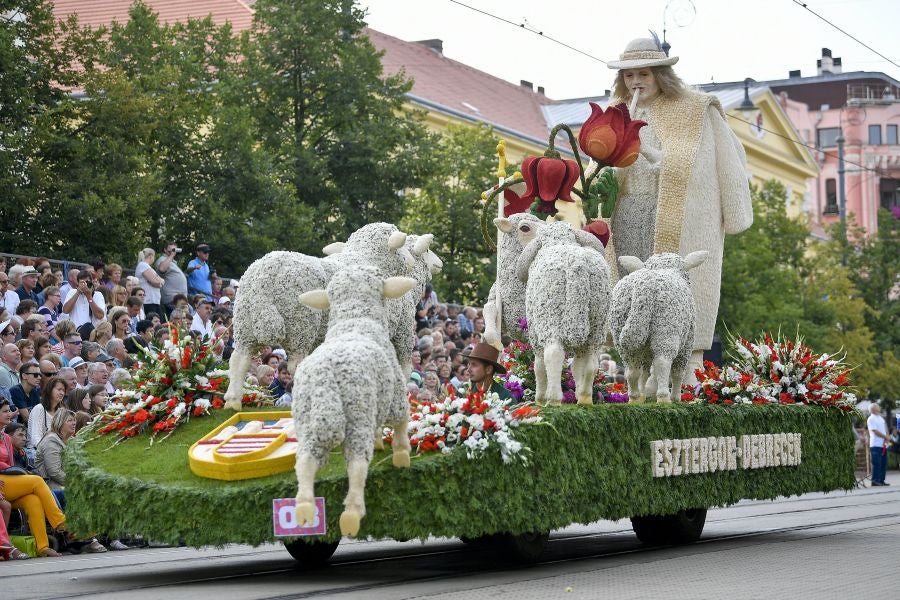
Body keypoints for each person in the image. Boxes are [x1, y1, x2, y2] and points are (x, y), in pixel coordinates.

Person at [604, 36, 753, 381]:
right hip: (627, 212)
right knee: (632, 290)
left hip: (678, 217)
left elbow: (726, 162)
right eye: (629, 76)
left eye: (643, 73)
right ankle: (637, 371)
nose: (636, 82)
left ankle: (688, 371)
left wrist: (652, 154)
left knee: (680, 291)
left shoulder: (697, 108)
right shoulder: (617, 111)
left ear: (660, 73)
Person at [0, 398, 67, 557]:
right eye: (4, 411)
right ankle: (59, 521)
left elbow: (11, 468)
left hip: (8, 481)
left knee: (33, 500)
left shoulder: (6, 438)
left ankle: (42, 546)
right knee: (37, 481)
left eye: (9, 410)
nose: (9, 414)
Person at [27, 376, 67, 450]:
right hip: (38, 452)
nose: (62, 393)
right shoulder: (39, 409)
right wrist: (50, 450)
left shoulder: (62, 411)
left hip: (56, 451)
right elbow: (35, 438)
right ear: (50, 390)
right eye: (59, 389)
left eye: (63, 390)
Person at [155, 242, 188, 315]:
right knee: (180, 317)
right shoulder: (162, 259)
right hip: (172, 298)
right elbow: (162, 269)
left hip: (179, 298)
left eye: (174, 249)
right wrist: (172, 255)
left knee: (185, 317)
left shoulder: (172, 261)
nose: (173, 251)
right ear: (165, 250)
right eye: (171, 250)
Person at [135, 248, 164, 318]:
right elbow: (155, 282)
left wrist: (159, 282)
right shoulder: (143, 265)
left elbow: (158, 282)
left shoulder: (147, 266)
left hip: (153, 301)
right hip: (148, 301)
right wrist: (159, 282)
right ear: (151, 256)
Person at [867, 403, 889, 486]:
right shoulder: (871, 418)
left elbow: (885, 428)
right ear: (873, 409)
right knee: (877, 463)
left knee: (883, 463)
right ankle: (875, 480)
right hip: (875, 444)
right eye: (877, 407)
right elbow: (874, 431)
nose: (879, 408)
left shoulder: (880, 418)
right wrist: (885, 436)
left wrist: (887, 436)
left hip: (883, 444)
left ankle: (881, 480)